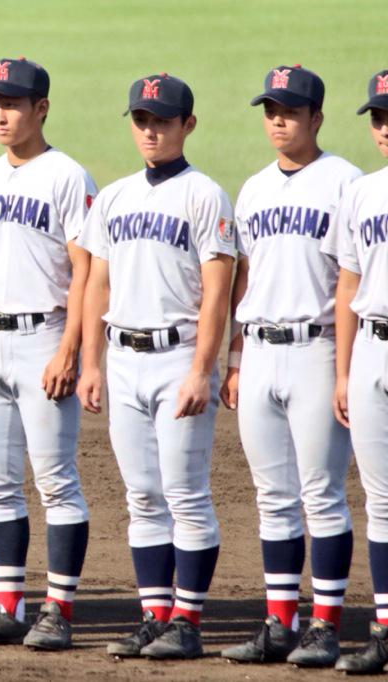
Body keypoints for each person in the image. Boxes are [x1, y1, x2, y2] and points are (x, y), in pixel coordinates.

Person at [75, 73, 236, 660]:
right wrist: (91, 362)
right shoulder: (116, 196)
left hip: (177, 359)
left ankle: (187, 622)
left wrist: (202, 370)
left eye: (162, 121)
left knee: (185, 494)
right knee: (142, 495)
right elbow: (98, 282)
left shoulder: (204, 195)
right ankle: (154, 615)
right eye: (141, 119)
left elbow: (218, 292)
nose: (150, 130)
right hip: (122, 359)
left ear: (187, 125)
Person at [0, 57, 94, 650]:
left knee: (56, 480)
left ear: (41, 109)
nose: (0, 113)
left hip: (42, 340)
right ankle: (7, 607)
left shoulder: (67, 176)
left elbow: (85, 272)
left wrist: (69, 348)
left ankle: (59, 610)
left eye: (12, 103)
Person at [219, 65, 360, 668]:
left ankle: (325, 625)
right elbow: (243, 277)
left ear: (316, 118)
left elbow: (358, 277)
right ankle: (280, 621)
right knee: (272, 496)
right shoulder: (252, 187)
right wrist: (234, 358)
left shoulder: (345, 183)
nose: (278, 120)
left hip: (319, 349)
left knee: (322, 494)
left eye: (291, 111)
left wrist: (349, 367)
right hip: (260, 351)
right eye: (271, 109)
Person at [325, 69, 388, 675]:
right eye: (378, 117)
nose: (386, 127)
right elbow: (348, 284)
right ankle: (386, 630)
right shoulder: (363, 193)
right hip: (371, 348)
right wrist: (343, 373)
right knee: (381, 500)